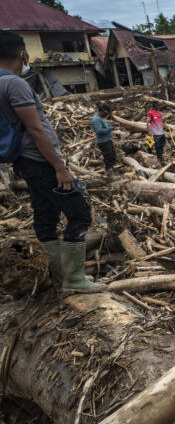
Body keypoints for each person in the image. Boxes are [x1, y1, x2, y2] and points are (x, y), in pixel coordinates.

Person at [0, 32, 104, 292]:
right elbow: (35, 130)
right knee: (79, 214)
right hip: (39, 160)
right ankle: (74, 280)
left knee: (45, 215)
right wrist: (60, 167)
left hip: (25, 162)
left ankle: (59, 279)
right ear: (22, 53)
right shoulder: (14, 84)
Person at [92, 102, 116, 178]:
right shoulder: (96, 119)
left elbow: (104, 127)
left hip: (107, 140)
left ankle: (111, 171)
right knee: (108, 157)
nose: (107, 115)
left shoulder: (101, 118)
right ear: (102, 111)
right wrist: (110, 128)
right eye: (106, 113)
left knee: (112, 156)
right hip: (103, 141)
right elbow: (99, 131)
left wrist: (111, 125)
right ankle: (110, 175)